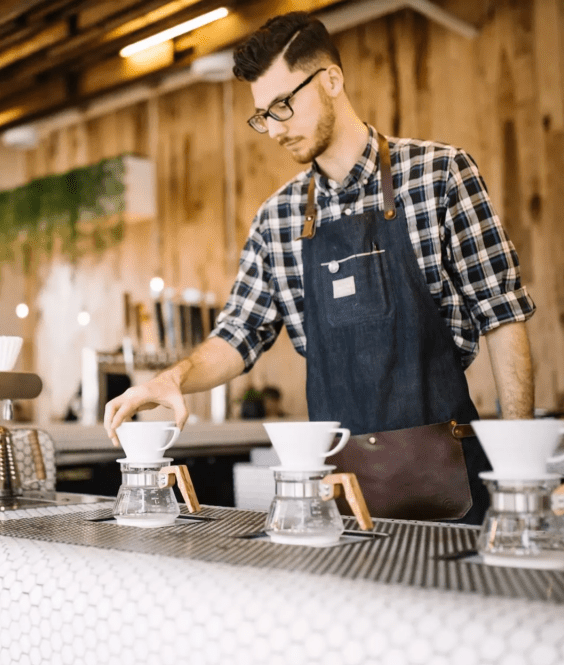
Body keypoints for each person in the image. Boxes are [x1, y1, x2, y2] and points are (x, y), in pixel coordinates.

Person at [105, 12, 534, 524]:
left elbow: (503, 318)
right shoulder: (277, 220)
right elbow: (238, 334)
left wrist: (520, 471)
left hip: (452, 486)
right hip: (338, 500)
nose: (275, 129)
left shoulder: (439, 176)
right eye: (263, 115)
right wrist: (171, 378)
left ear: (331, 79)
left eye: (284, 105)